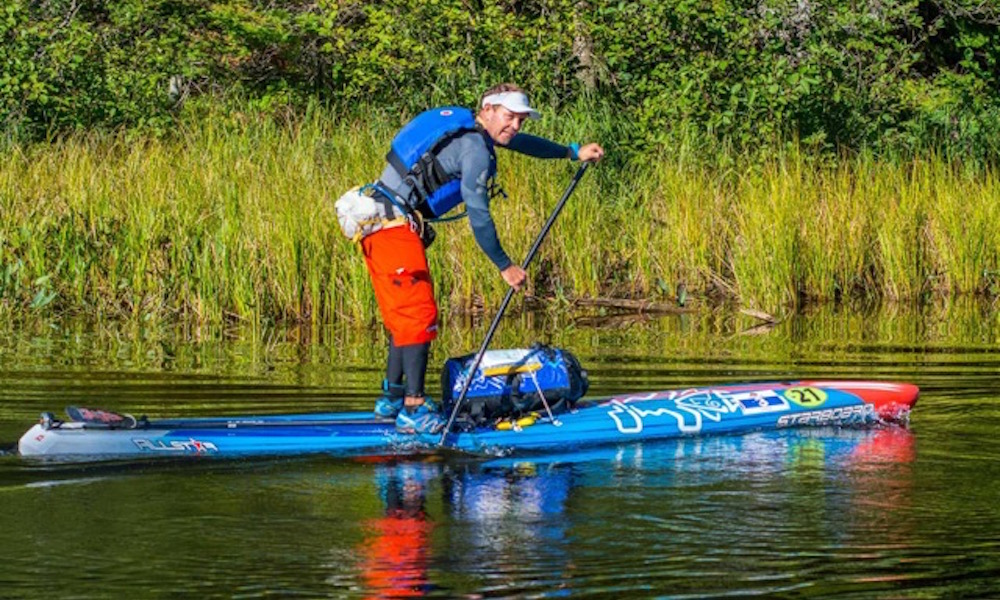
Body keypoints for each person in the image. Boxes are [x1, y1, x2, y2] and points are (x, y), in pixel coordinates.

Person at [359, 83, 604, 434]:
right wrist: (505, 265)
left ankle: (393, 399)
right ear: (487, 109)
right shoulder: (474, 149)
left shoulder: (471, 134)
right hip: (392, 228)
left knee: (406, 316)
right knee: (417, 316)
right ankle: (413, 408)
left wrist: (571, 152)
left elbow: (520, 143)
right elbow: (478, 213)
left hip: (381, 222)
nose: (516, 126)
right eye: (510, 117)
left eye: (521, 120)